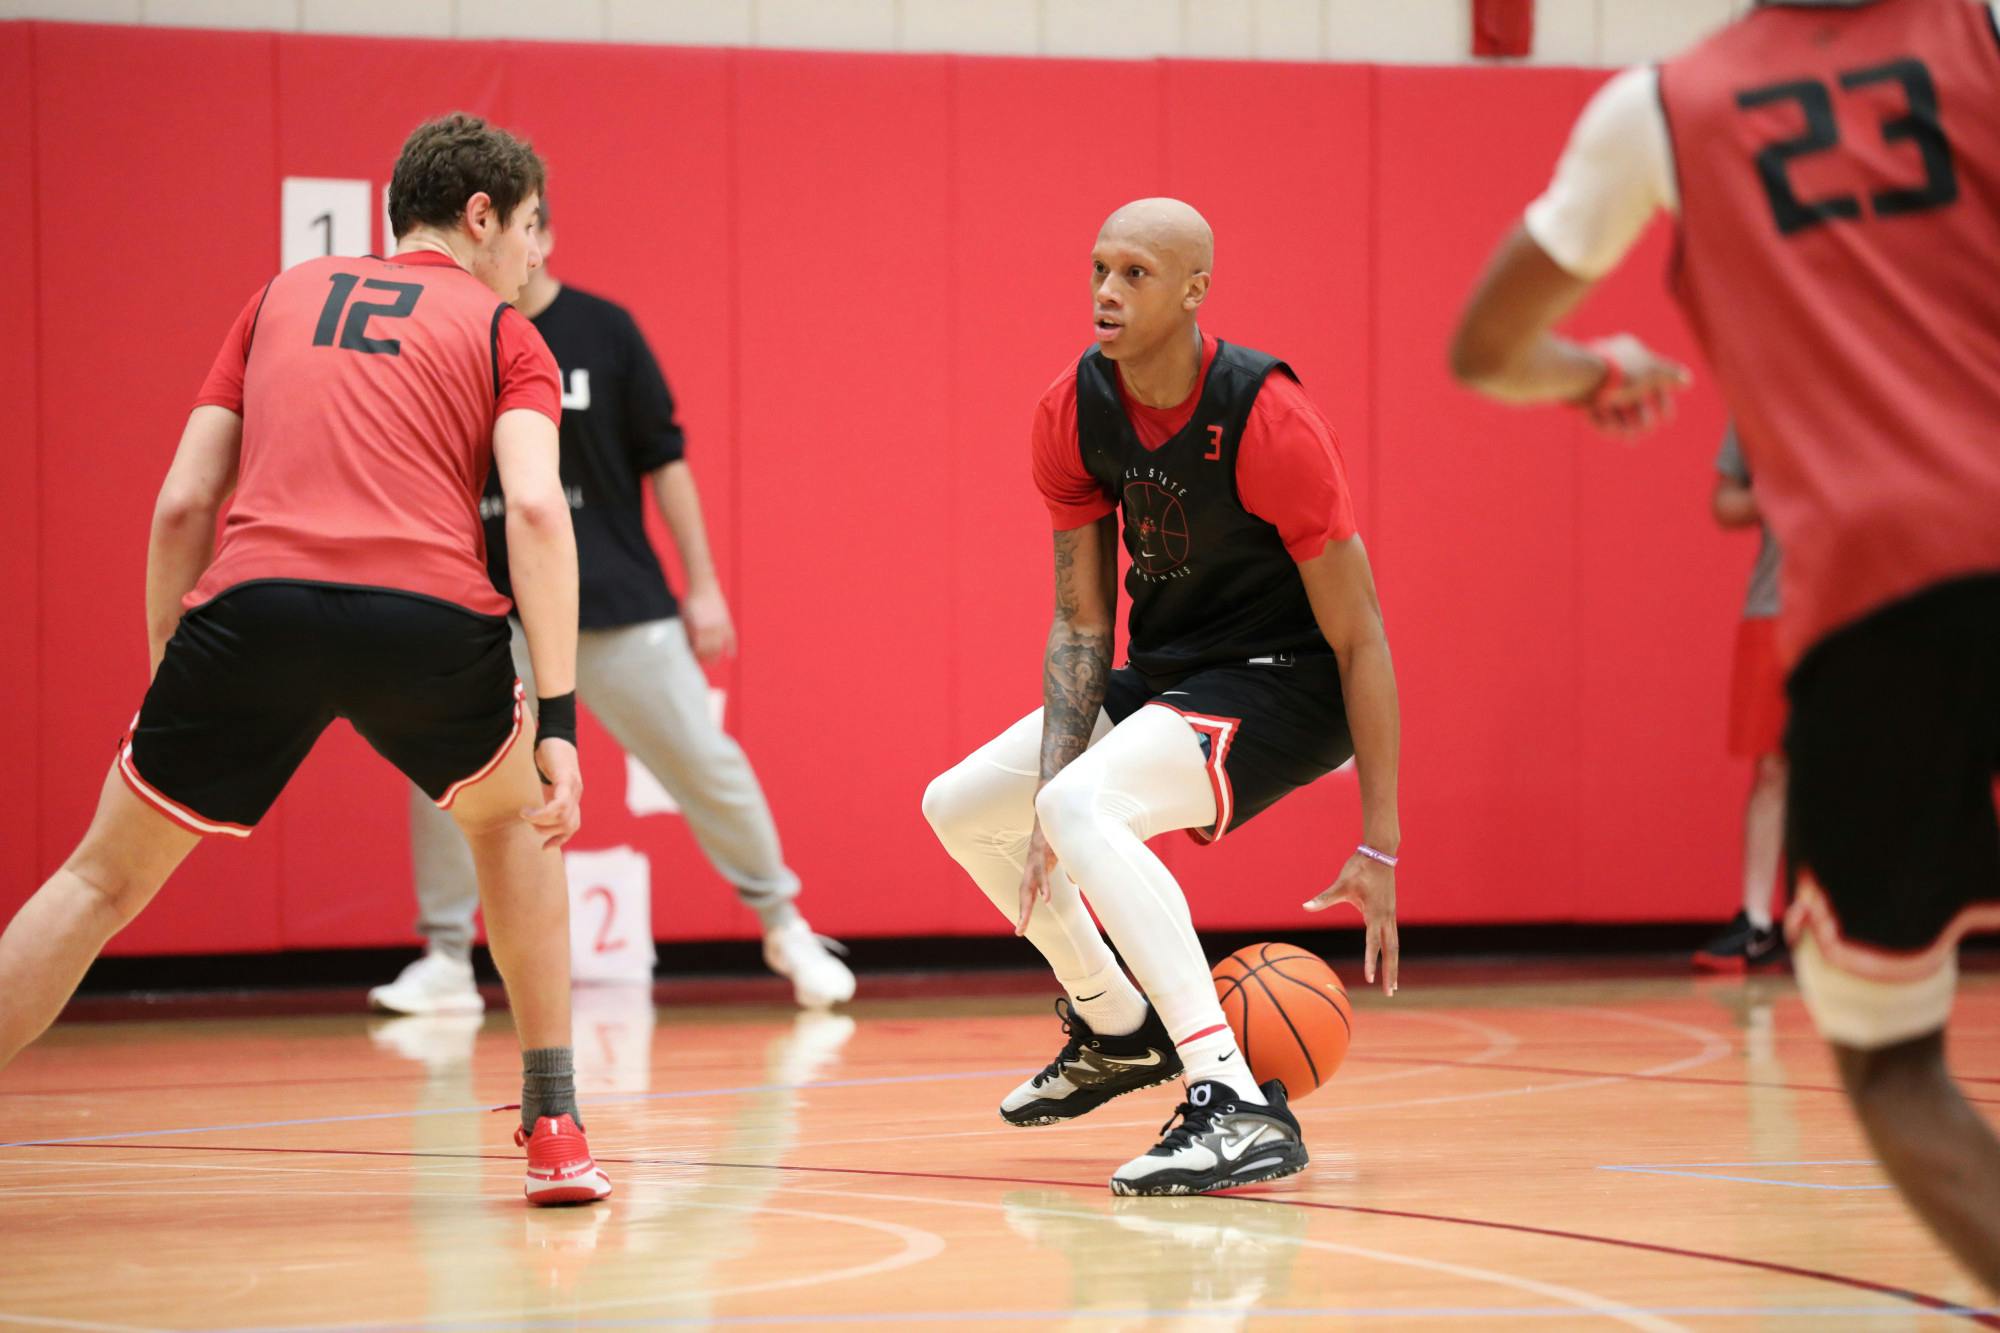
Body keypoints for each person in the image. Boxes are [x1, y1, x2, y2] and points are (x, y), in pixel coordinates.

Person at [1449, 0, 2000, 1288]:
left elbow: (1485, 346)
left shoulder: (1657, 108)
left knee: (1887, 1059)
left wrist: (1593, 371)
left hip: (1875, 596)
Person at [0, 113, 611, 1206]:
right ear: (479, 217)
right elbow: (531, 506)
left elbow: (186, 498)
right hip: (424, 621)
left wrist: (171, 669)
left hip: (253, 610)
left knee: (98, 879)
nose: (535, 258)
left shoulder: (276, 296)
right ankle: (556, 1123)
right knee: (515, 825)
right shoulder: (508, 334)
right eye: (527, 231)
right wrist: (559, 721)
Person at [923, 198, 1402, 1197]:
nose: (1104, 292)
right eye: (1097, 268)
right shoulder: (1072, 409)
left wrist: (1379, 841)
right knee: (965, 808)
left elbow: (1359, 635)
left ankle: (1230, 1098)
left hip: (1288, 685)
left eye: (1134, 274)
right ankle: (1114, 1025)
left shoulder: (1266, 416)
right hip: (1174, 672)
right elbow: (1082, 624)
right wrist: (1053, 789)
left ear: (1194, 291)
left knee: (1077, 805)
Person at [369, 205, 854, 1016]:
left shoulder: (604, 330)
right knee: (444, 776)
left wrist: (701, 587)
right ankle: (447, 956)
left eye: (526, 230)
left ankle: (785, 924)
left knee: (705, 761)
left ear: (543, 235)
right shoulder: (453, 334)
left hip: (618, 605)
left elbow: (666, 461)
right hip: (493, 613)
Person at [1694, 425, 1788, 972]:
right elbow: (1725, 502)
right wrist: (1774, 494)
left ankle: (1860, 918)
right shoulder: (1759, 398)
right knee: (1772, 764)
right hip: (1776, 605)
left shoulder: (1879, 381)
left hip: (1860, 602)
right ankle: (1756, 921)